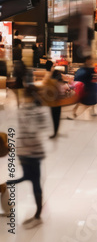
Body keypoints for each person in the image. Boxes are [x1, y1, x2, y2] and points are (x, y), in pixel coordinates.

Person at [6, 85, 49, 228]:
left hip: (32, 153)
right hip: (24, 152)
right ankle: (9, 184)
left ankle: (38, 216)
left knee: (34, 181)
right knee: (29, 177)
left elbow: (41, 129)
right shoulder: (24, 110)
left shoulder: (37, 111)